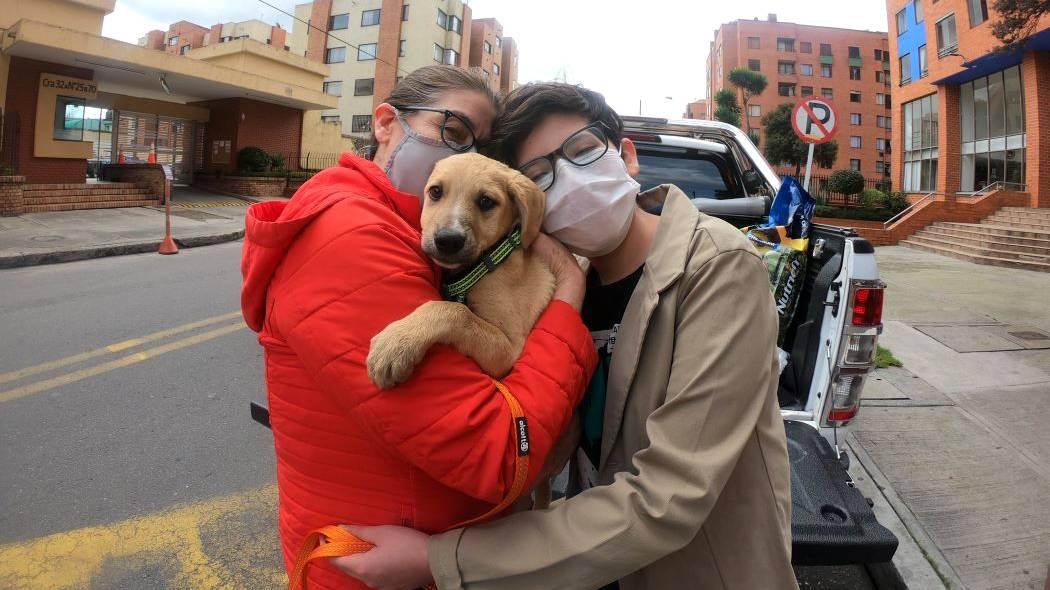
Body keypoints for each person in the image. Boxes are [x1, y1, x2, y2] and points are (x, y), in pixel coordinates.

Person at [332, 83, 799, 590]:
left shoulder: (717, 267)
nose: (571, 181)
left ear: (627, 155)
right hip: (589, 565)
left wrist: (441, 560)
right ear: (529, 204)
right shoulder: (564, 283)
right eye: (541, 174)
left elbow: (670, 497)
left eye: (582, 152)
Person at [239, 68, 597, 590]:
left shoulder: (401, 228)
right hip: (376, 567)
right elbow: (500, 451)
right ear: (385, 123)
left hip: (423, 557)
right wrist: (569, 287)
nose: (462, 152)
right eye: (451, 131)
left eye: (480, 143)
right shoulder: (351, 237)